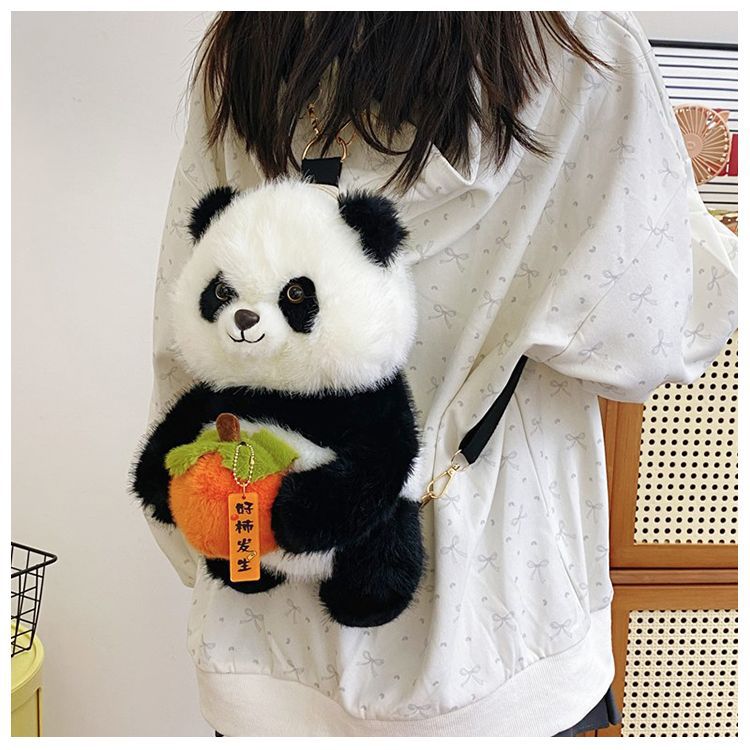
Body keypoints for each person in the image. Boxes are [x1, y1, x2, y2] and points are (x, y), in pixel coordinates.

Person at [141, 11, 738, 737]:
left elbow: (185, 351)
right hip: (505, 630)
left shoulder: (250, 47)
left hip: (265, 647)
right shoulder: (583, 47)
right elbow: (655, 335)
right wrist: (679, 198)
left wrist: (225, 539)